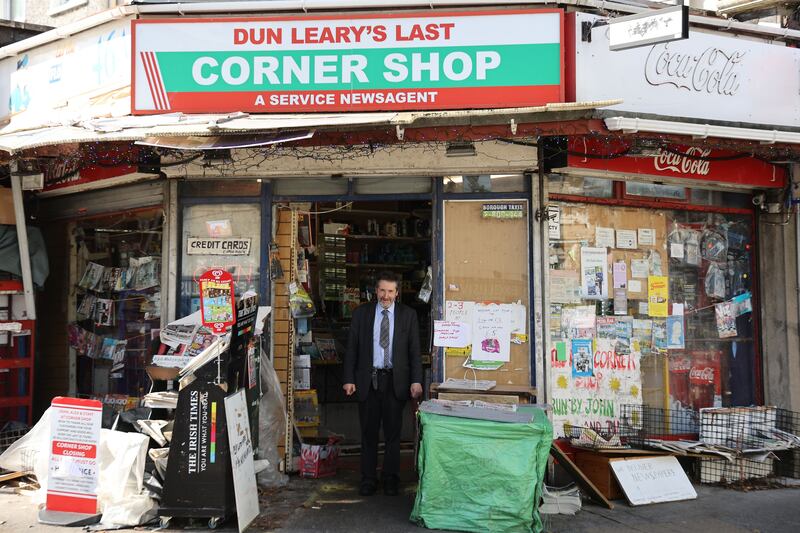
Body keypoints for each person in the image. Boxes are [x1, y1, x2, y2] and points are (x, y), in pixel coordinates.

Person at [343, 271, 423, 496]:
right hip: (368, 381)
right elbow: (352, 349)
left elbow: (414, 352)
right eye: (382, 290)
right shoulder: (361, 314)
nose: (385, 295)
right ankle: (368, 479)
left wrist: (416, 381)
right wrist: (349, 378)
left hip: (395, 382)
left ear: (397, 293)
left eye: (390, 291)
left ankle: (390, 479)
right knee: (368, 433)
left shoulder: (409, 315)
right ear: (375, 291)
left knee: (393, 434)